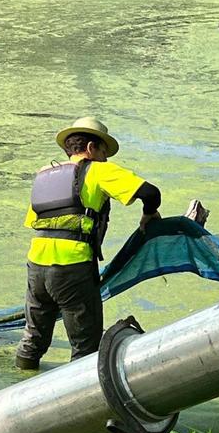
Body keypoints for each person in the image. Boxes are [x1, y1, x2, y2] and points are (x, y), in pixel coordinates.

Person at [15, 117, 161, 370]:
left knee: (33, 338)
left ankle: (18, 386)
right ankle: (80, 402)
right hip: (73, 267)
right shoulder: (99, 169)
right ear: (92, 148)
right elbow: (151, 193)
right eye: (104, 152)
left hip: (36, 265)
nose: (106, 158)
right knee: (85, 347)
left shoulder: (45, 175)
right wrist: (149, 214)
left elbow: (37, 220)